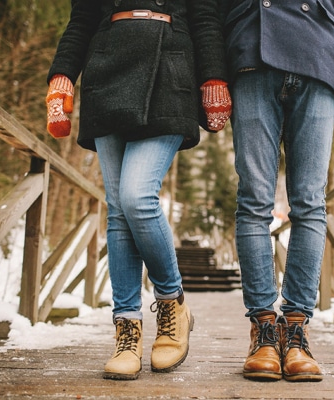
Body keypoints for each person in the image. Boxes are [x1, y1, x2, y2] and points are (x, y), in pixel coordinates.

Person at [46, 0, 231, 380]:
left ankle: (171, 303)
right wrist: (62, 75)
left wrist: (213, 76)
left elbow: (206, 18)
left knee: (136, 196)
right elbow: (81, 19)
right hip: (107, 72)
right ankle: (126, 328)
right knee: (117, 211)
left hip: (169, 70)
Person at [220, 0, 334, 382]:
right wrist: (210, 73)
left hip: (317, 56)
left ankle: (296, 330)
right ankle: (263, 331)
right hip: (251, 54)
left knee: (309, 203)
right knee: (254, 199)